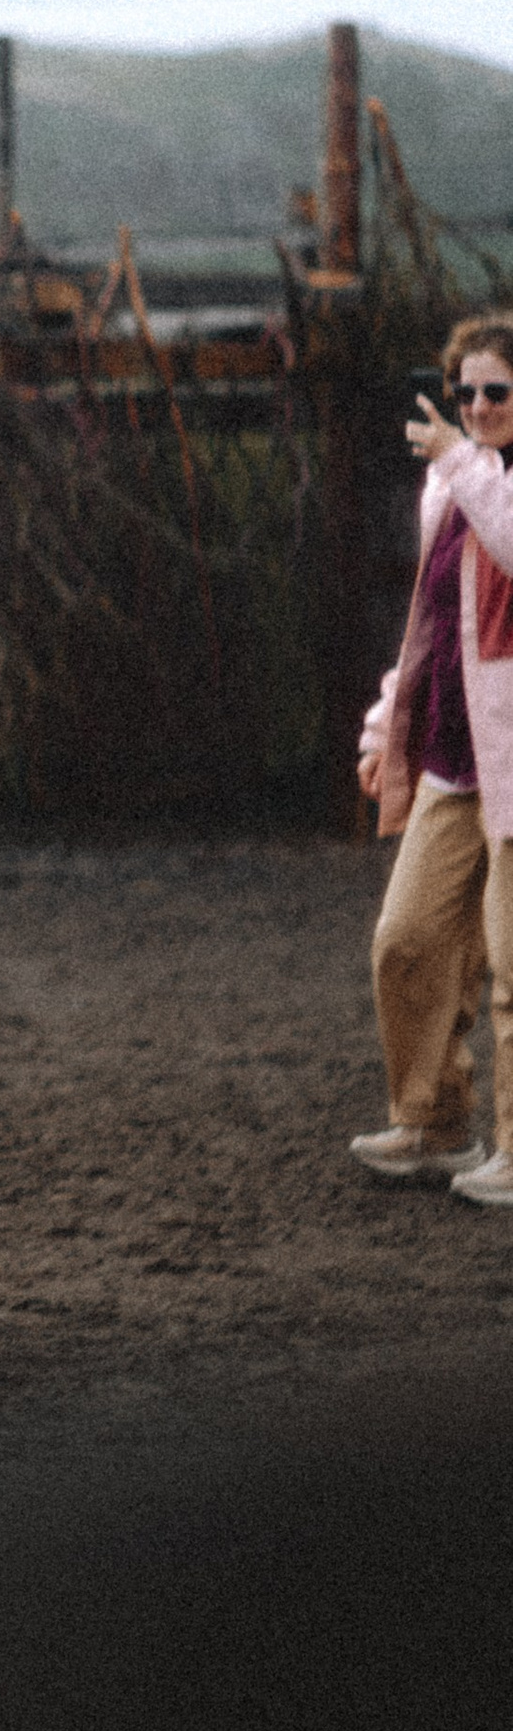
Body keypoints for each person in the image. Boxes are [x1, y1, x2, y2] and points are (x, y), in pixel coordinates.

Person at [352, 316, 513, 1202]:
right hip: (457, 760)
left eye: (497, 392)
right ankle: (433, 1120)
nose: (479, 408)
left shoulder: (476, 480)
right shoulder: (452, 491)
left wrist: (460, 458)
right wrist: (387, 732)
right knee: (407, 940)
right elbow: (429, 630)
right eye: (466, 394)